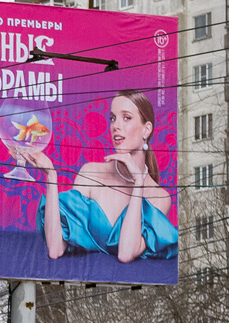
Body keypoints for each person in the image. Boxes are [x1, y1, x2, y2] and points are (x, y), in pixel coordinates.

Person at [19, 91, 178, 263]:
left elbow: (126, 254)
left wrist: (139, 182)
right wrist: (51, 174)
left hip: (125, 288)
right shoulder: (90, 173)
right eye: (112, 118)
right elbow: (55, 249)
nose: (116, 126)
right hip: (83, 284)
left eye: (126, 118)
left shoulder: (160, 197)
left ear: (146, 129)